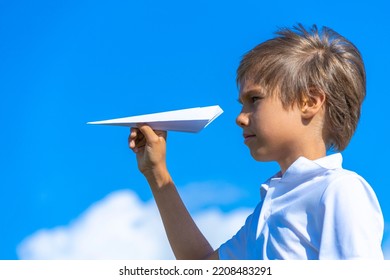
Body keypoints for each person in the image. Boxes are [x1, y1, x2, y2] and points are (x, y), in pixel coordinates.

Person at [128, 24, 384, 260]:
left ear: (310, 102)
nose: (240, 118)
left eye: (255, 100)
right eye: (242, 104)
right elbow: (200, 267)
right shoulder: (269, 209)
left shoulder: (340, 191)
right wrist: (157, 173)